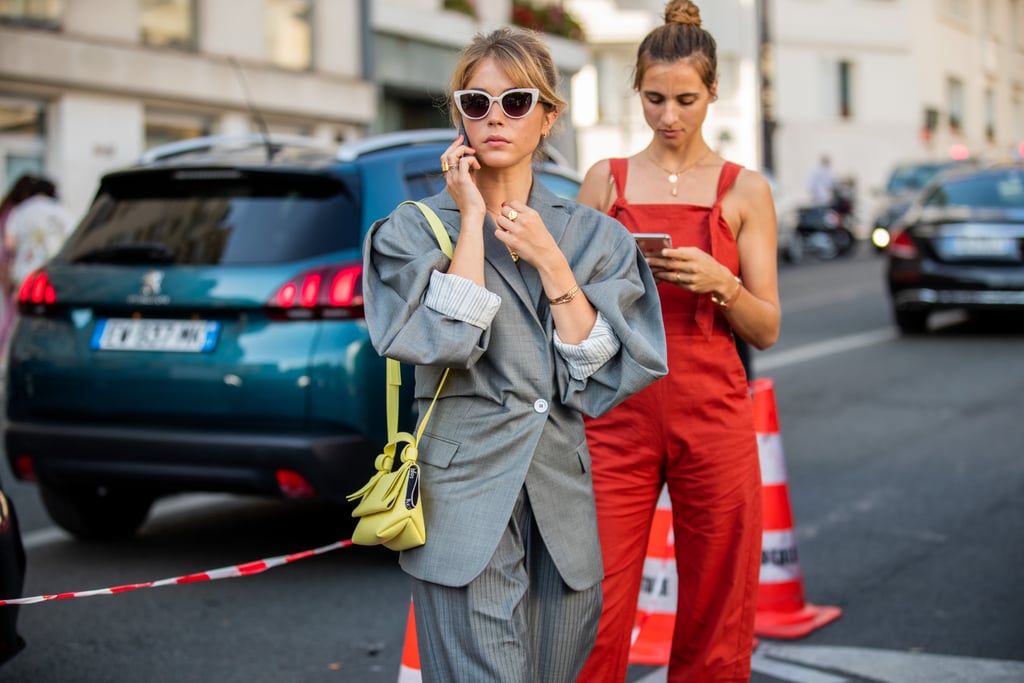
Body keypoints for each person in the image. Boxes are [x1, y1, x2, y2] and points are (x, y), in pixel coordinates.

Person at [362, 26, 668, 683]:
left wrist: (551, 261)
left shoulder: (594, 237)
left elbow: (605, 371)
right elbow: (444, 341)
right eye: (476, 103)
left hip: (562, 507)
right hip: (461, 501)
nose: (494, 117)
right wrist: (471, 222)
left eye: (516, 101)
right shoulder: (412, 231)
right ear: (458, 116)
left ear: (549, 115)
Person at [575, 1, 781, 681]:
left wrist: (722, 281)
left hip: (713, 412)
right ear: (637, 90)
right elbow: (566, 305)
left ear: (714, 91)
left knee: (717, 614)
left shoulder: (744, 190)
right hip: (616, 415)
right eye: (654, 98)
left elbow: (767, 327)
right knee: (594, 610)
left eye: (686, 99)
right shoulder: (605, 180)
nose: (669, 115)